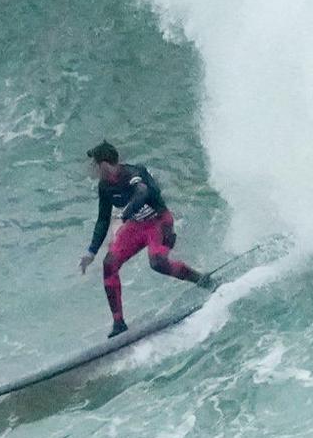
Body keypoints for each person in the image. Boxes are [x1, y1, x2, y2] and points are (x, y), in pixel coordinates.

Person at [78, 141, 214, 335]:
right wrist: (91, 252)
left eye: (94, 163)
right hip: (136, 226)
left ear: (105, 164)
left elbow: (143, 192)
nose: (92, 168)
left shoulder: (133, 173)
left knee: (158, 263)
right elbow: (102, 219)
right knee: (109, 264)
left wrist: (123, 215)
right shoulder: (105, 186)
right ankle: (118, 324)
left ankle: (201, 280)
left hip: (159, 222)